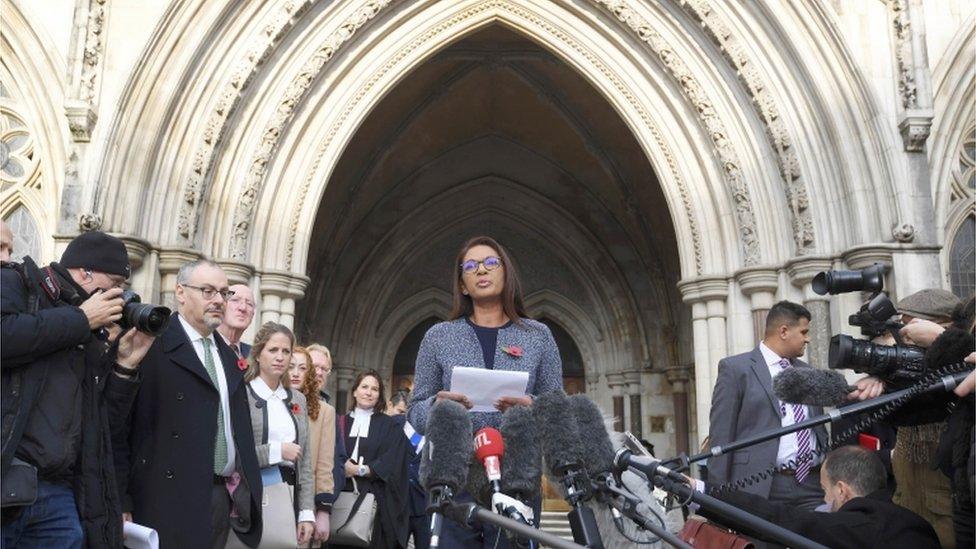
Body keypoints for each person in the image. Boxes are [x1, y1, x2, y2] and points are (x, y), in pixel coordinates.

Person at [1, 231, 156, 548]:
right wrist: (81, 319)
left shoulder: (92, 325)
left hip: (58, 488)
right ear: (85, 271)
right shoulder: (17, 283)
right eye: (114, 284)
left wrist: (124, 365)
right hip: (8, 478)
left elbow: (102, 422)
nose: (118, 296)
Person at [407, 235, 563, 547]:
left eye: (491, 263)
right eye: (471, 266)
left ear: (506, 274)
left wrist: (530, 404)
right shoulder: (438, 336)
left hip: (517, 477)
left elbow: (556, 405)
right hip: (455, 477)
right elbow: (415, 409)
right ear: (463, 284)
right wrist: (439, 407)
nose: (482, 270)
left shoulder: (538, 336)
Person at [114, 259, 263, 547]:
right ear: (181, 293)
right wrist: (121, 500)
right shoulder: (150, 344)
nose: (219, 300)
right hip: (165, 499)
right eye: (208, 291)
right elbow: (120, 429)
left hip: (219, 498)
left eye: (224, 292)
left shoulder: (229, 357)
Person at [707, 300, 828, 510]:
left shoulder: (808, 372)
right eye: (804, 332)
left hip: (812, 484)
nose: (808, 339)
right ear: (783, 331)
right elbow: (721, 435)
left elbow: (818, 429)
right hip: (761, 485)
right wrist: (718, 500)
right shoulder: (736, 369)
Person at [694, 445, 940, 548]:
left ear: (842, 490)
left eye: (825, 490)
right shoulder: (917, 524)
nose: (824, 500)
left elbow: (780, 519)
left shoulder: (856, 527)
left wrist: (699, 491)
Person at [242, 323, 314, 546]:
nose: (280, 357)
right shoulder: (242, 394)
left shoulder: (297, 399)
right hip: (251, 496)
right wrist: (277, 451)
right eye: (273, 350)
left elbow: (306, 461)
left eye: (286, 351)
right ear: (258, 353)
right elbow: (235, 453)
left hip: (289, 494)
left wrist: (306, 513)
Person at [334, 370, 409, 549]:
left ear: (379, 395)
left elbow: (394, 460)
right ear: (354, 391)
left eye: (374, 389)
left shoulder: (390, 425)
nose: (369, 392)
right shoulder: (339, 422)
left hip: (376, 500)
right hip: (341, 495)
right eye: (364, 387)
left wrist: (363, 470)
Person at [294, 345, 346, 547]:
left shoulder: (326, 411)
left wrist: (324, 508)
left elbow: (332, 462)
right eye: (314, 366)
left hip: (309, 504)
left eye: (325, 369)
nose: (319, 373)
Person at [388, 390, 429, 549]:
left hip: (424, 506)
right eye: (400, 412)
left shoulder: (431, 430)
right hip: (398, 504)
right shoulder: (392, 426)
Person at [218, 283, 256, 359]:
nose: (243, 308)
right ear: (221, 306)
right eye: (235, 300)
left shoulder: (254, 356)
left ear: (253, 314)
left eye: (249, 304)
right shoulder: (204, 346)